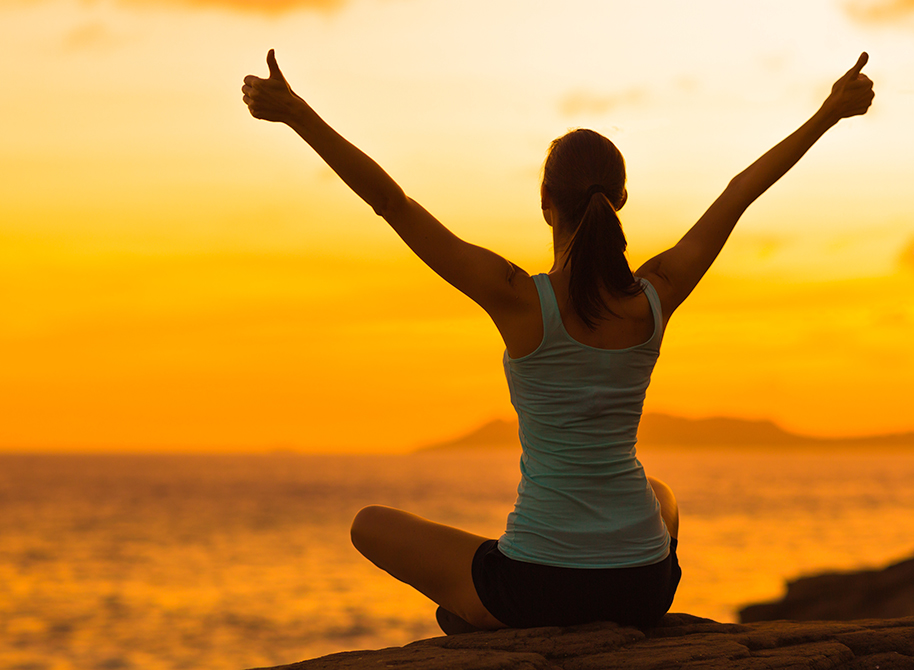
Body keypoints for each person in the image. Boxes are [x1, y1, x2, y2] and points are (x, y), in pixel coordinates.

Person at [241, 50, 875, 632]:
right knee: (661, 495)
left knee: (369, 524)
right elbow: (740, 192)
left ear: (546, 204)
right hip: (644, 588)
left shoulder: (517, 298)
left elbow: (391, 202)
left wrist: (297, 115)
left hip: (536, 589)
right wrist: (828, 114)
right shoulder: (656, 295)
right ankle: (488, 602)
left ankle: (479, 608)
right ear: (621, 200)